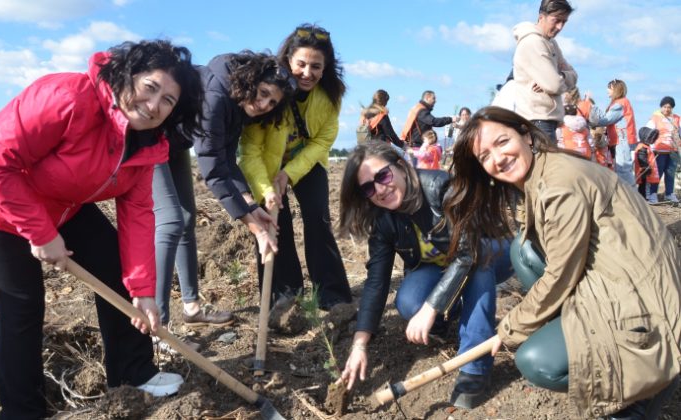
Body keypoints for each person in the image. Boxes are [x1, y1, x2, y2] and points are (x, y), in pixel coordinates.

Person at [0, 40, 204, 419]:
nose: (153, 106)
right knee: (22, 303)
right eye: (150, 87)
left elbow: (138, 213)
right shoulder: (66, 96)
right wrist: (41, 233)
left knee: (116, 268)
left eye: (168, 101)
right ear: (127, 75)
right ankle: (22, 412)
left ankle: (133, 374)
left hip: (60, 203)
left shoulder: (148, 145)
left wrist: (143, 291)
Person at [446, 106, 681, 419]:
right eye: (484, 156)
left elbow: (560, 275)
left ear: (526, 134)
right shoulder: (544, 172)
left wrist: (511, 327)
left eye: (502, 142)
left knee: (536, 360)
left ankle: (645, 386)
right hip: (617, 277)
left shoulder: (560, 184)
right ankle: (587, 336)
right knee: (524, 251)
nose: (497, 158)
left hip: (646, 304)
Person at [335, 142, 513, 409]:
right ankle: (447, 319)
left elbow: (468, 254)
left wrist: (431, 308)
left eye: (383, 176)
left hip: (490, 250)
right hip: (442, 265)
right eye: (369, 188)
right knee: (408, 302)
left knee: (476, 265)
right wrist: (359, 345)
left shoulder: (441, 188)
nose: (380, 190)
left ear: (402, 166)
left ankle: (476, 367)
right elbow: (376, 282)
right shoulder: (383, 220)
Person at [152, 51, 296, 347]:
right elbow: (212, 167)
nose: (263, 105)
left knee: (188, 219)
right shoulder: (216, 94)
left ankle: (191, 308)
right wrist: (253, 226)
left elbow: (227, 159)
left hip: (177, 142)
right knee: (170, 221)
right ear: (251, 80)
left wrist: (251, 206)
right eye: (264, 93)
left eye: (272, 103)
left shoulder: (238, 104)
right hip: (151, 137)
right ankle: (159, 329)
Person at [239, 24, 352, 309]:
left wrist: (289, 173)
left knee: (318, 219)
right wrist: (266, 187)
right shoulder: (268, 91)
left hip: (307, 162)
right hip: (265, 164)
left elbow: (323, 140)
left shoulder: (330, 97)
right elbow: (250, 149)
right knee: (274, 222)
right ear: (288, 60)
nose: (307, 72)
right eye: (301, 64)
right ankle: (285, 296)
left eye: (316, 66)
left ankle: (332, 294)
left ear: (325, 68)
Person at [511, 0, 577, 144]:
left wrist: (559, 77)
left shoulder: (551, 43)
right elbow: (554, 85)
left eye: (564, 22)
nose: (560, 27)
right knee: (546, 166)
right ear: (542, 17)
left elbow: (573, 76)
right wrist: (555, 79)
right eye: (556, 20)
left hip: (545, 120)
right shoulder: (534, 42)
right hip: (537, 121)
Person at [593, 79, 638, 186]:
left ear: (616, 89)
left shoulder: (619, 104)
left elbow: (607, 119)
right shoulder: (621, 102)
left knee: (623, 169)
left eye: (609, 88)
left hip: (621, 138)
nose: (607, 90)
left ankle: (631, 196)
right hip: (621, 138)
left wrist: (591, 112)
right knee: (622, 168)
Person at [646, 96, 680, 203]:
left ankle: (669, 194)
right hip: (659, 151)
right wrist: (650, 148)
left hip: (673, 150)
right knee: (657, 173)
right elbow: (647, 133)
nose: (666, 109)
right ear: (661, 107)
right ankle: (653, 194)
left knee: (670, 173)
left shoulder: (677, 118)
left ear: (672, 108)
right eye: (664, 107)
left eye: (669, 107)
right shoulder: (655, 118)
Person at [635, 127, 661, 203]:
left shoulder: (646, 147)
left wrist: (654, 153)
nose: (652, 140)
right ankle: (643, 199)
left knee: (645, 186)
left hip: (646, 172)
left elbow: (647, 156)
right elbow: (642, 157)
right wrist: (645, 167)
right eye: (650, 138)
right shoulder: (642, 147)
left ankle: (644, 199)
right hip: (644, 171)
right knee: (644, 186)